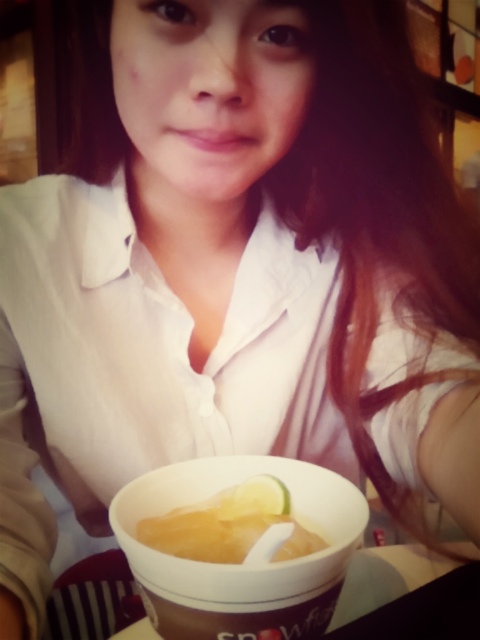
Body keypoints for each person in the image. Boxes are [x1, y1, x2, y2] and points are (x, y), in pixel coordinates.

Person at [1, 0, 479, 637]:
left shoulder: (360, 256)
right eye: (175, 10)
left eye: (279, 33)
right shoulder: (15, 249)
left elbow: (438, 397)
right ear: (102, 24)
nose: (223, 79)